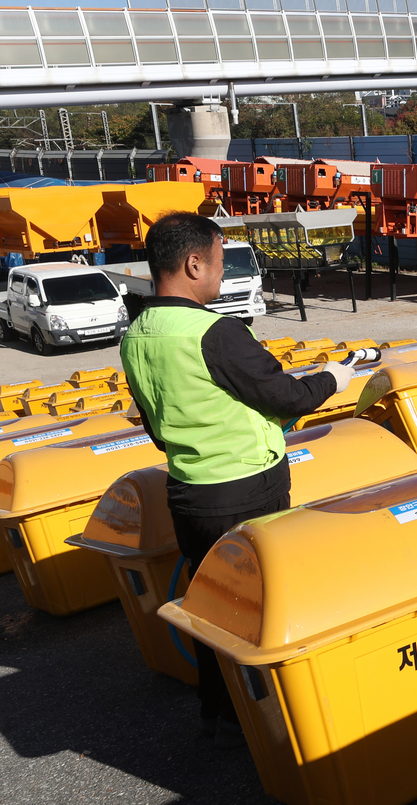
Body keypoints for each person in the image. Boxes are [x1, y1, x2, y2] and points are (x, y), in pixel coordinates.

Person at [120, 212, 353, 747]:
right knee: (266, 604)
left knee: (211, 607)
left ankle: (216, 713)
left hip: (190, 494)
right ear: (193, 263)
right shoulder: (215, 332)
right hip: (248, 491)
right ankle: (276, 723)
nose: (222, 277)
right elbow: (286, 396)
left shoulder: (138, 335)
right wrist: (334, 378)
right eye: (220, 265)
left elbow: (158, 429)